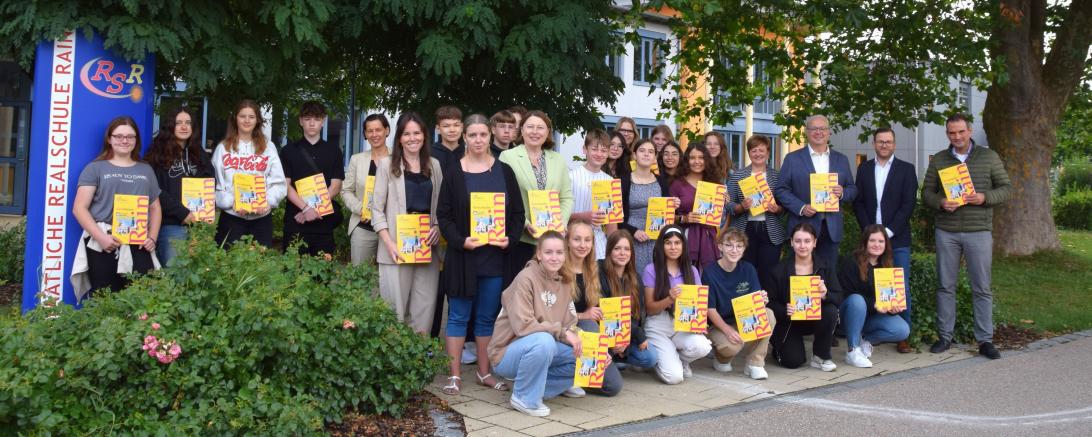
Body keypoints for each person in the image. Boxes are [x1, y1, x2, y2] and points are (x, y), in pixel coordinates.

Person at [436, 114, 526, 395]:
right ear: (465, 137)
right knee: (459, 316)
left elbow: (517, 214)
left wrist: (508, 240)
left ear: (490, 137)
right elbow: (444, 215)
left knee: (486, 318)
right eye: (472, 135)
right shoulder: (454, 172)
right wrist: (461, 241)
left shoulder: (504, 171)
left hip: (494, 258)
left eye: (483, 135)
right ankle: (454, 376)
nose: (478, 140)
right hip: (463, 256)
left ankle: (484, 372)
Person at [921, 113, 1012, 359]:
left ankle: (984, 340)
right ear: (947, 134)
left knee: (981, 287)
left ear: (970, 131)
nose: (957, 137)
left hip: (979, 231)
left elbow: (1006, 188)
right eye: (952, 133)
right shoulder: (940, 159)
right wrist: (941, 202)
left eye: (961, 132)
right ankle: (945, 337)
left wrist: (985, 198)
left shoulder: (989, 157)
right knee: (944, 286)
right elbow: (926, 193)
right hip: (946, 231)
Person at [488, 231, 586, 417]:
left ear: (565, 254)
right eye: (549, 252)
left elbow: (569, 325)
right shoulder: (525, 279)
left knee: (586, 356)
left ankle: (534, 386)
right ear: (539, 254)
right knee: (543, 340)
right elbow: (523, 326)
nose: (554, 257)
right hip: (507, 354)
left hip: (542, 347)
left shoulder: (565, 283)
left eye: (559, 252)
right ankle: (524, 397)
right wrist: (563, 333)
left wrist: (595, 350)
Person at [71, 116, 162, 299]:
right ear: (109, 139)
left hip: (138, 243)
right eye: (119, 136)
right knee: (104, 299)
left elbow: (155, 208)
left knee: (141, 299)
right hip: (105, 242)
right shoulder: (95, 168)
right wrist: (101, 238)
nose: (124, 140)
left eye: (130, 136)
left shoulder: (145, 170)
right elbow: (79, 208)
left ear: (136, 140)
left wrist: (152, 237)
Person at [370, 112, 444, 333]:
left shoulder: (435, 165)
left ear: (424, 136)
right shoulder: (385, 165)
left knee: (425, 306)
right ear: (399, 138)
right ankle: (395, 359)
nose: (413, 138)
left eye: (417, 133)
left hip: (426, 246)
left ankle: (417, 359)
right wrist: (389, 243)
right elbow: (376, 210)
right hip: (395, 247)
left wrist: (437, 226)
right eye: (407, 134)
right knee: (395, 308)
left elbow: (441, 205)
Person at [852, 127, 917, 353]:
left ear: (894, 144)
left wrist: (887, 232)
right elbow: (858, 202)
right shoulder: (864, 169)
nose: (884, 145)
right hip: (870, 240)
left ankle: (903, 335)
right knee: (867, 284)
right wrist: (870, 232)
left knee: (900, 287)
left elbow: (908, 204)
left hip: (896, 238)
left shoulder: (907, 170)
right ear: (874, 143)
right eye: (880, 141)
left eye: (888, 141)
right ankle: (870, 328)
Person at [774, 115, 856, 269]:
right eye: (813, 129)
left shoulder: (841, 159)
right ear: (807, 132)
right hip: (802, 228)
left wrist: (842, 192)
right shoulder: (792, 159)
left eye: (822, 128)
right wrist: (801, 207)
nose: (818, 132)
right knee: (799, 273)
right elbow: (780, 189)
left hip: (831, 228)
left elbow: (853, 189)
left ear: (829, 132)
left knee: (828, 273)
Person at [499, 110, 574, 269]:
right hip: (522, 239)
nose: (534, 131)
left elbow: (566, 198)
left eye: (540, 127)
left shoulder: (558, 160)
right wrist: (525, 224)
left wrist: (561, 223)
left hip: (552, 241)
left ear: (547, 132)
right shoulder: (507, 157)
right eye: (530, 126)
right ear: (522, 130)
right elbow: (504, 198)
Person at [642, 225, 712, 384]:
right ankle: (663, 359)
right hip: (658, 325)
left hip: (682, 325)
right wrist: (669, 299)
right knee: (674, 378)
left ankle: (681, 360)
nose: (673, 247)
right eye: (668, 243)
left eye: (677, 242)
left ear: (683, 246)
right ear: (661, 245)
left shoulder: (692, 270)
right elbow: (650, 309)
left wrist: (700, 323)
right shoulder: (651, 269)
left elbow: (699, 304)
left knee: (703, 346)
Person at [211, 99, 287, 247]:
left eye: (251, 117)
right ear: (235, 119)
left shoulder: (268, 147)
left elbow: (278, 182)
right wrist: (230, 202)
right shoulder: (223, 148)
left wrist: (267, 202)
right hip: (232, 217)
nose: (247, 120)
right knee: (228, 263)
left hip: (261, 219)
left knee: (260, 266)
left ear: (257, 120)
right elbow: (215, 183)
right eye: (242, 116)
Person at [766, 223, 842, 371]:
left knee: (830, 310)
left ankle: (820, 355)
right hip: (789, 322)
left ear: (814, 243)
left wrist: (826, 294)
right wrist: (784, 310)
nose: (802, 245)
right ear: (791, 243)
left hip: (815, 319)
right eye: (798, 241)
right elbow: (770, 303)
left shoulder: (825, 267)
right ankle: (778, 348)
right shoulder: (778, 270)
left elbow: (839, 297)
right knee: (793, 361)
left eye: (807, 241)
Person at [144, 107, 213, 265]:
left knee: (197, 275)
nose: (184, 126)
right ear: (170, 126)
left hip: (198, 225)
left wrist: (202, 212)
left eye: (188, 123)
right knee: (174, 275)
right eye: (179, 123)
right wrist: (183, 213)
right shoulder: (156, 153)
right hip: (171, 225)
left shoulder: (199, 153)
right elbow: (154, 190)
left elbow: (210, 181)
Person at [703, 228, 773, 380]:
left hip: (743, 320)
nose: (734, 250)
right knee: (731, 347)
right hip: (718, 325)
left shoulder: (748, 268)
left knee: (769, 314)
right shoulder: (710, 272)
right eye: (729, 245)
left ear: (744, 249)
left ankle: (755, 363)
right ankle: (721, 358)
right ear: (720, 246)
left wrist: (762, 300)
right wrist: (728, 330)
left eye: (739, 246)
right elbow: (710, 309)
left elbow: (755, 301)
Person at [838, 225, 911, 368]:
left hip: (872, 318)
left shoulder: (887, 265)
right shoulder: (851, 262)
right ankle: (852, 350)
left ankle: (864, 341)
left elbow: (890, 297)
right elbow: (845, 294)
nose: (876, 245)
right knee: (857, 300)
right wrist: (875, 304)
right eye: (872, 240)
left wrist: (893, 308)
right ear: (865, 242)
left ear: (886, 244)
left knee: (902, 330)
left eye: (881, 241)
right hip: (849, 315)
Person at [279, 101, 344, 256]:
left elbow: (336, 185)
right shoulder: (288, 151)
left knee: (322, 274)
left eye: (316, 119)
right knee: (292, 273)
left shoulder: (334, 151)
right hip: (296, 221)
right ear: (301, 121)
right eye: (307, 119)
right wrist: (305, 208)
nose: (312, 123)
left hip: (323, 222)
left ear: (323, 121)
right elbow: (285, 185)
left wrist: (313, 209)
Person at [566, 219, 621, 396]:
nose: (583, 245)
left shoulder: (593, 268)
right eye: (577, 239)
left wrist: (611, 343)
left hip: (585, 331)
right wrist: (583, 315)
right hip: (562, 330)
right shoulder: (558, 267)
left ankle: (579, 376)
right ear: (567, 240)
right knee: (589, 323)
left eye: (587, 240)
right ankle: (565, 379)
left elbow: (597, 310)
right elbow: (552, 315)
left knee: (613, 386)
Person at [726, 135, 786, 289]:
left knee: (769, 273)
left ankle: (767, 308)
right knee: (745, 273)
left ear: (768, 153)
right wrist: (741, 207)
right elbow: (729, 205)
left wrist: (777, 208)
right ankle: (745, 307)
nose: (758, 153)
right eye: (754, 150)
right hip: (745, 230)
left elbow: (784, 205)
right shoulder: (738, 176)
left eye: (761, 150)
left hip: (770, 230)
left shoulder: (778, 176)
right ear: (749, 153)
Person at [599, 230, 658, 370]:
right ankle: (612, 359)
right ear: (609, 251)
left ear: (632, 253)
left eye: (626, 249)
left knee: (650, 357)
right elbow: (602, 315)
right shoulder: (599, 273)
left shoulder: (635, 277)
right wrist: (634, 334)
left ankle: (619, 358)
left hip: (626, 333)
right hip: (603, 333)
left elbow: (639, 315)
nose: (622, 253)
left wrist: (625, 339)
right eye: (617, 248)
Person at [342, 113, 391, 266]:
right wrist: (360, 208)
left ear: (387, 131)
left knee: (390, 279)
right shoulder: (356, 159)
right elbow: (346, 190)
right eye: (370, 131)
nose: (374, 134)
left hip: (392, 228)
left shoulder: (398, 158)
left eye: (378, 130)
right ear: (365, 134)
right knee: (360, 278)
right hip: (363, 227)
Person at [619, 139, 672, 274]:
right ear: (635, 155)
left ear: (655, 157)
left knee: (655, 278)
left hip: (657, 238)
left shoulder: (662, 181)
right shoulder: (623, 181)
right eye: (642, 151)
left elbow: (667, 214)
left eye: (651, 152)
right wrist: (633, 231)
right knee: (634, 278)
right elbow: (617, 217)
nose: (646, 155)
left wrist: (673, 205)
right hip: (631, 238)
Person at [669, 144, 720, 271]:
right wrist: (684, 219)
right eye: (692, 158)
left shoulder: (714, 183)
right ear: (686, 161)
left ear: (706, 160)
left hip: (709, 237)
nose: (697, 161)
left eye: (701, 157)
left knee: (708, 276)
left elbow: (720, 216)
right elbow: (665, 217)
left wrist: (724, 201)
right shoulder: (677, 184)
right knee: (687, 274)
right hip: (685, 237)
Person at [569, 129, 618, 260]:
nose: (599, 154)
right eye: (594, 149)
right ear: (585, 149)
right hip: (573, 246)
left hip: (600, 248)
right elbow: (559, 216)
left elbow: (612, 223)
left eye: (603, 150)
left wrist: (613, 250)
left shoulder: (610, 181)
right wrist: (584, 217)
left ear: (608, 153)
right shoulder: (570, 177)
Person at [431, 105, 465, 176]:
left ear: (462, 127)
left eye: (456, 125)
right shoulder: (430, 154)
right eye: (446, 126)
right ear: (438, 129)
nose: (452, 130)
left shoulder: (469, 152)